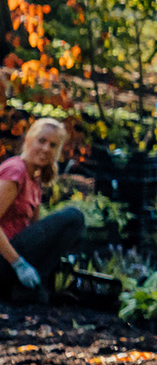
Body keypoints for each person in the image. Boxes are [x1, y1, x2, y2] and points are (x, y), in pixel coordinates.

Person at [0, 118, 85, 304]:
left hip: (14, 256)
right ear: (29, 139)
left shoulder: (35, 179)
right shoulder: (16, 171)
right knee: (74, 217)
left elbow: (35, 229)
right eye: (42, 141)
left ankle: (27, 289)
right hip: (5, 257)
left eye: (53, 145)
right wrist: (19, 264)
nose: (46, 148)